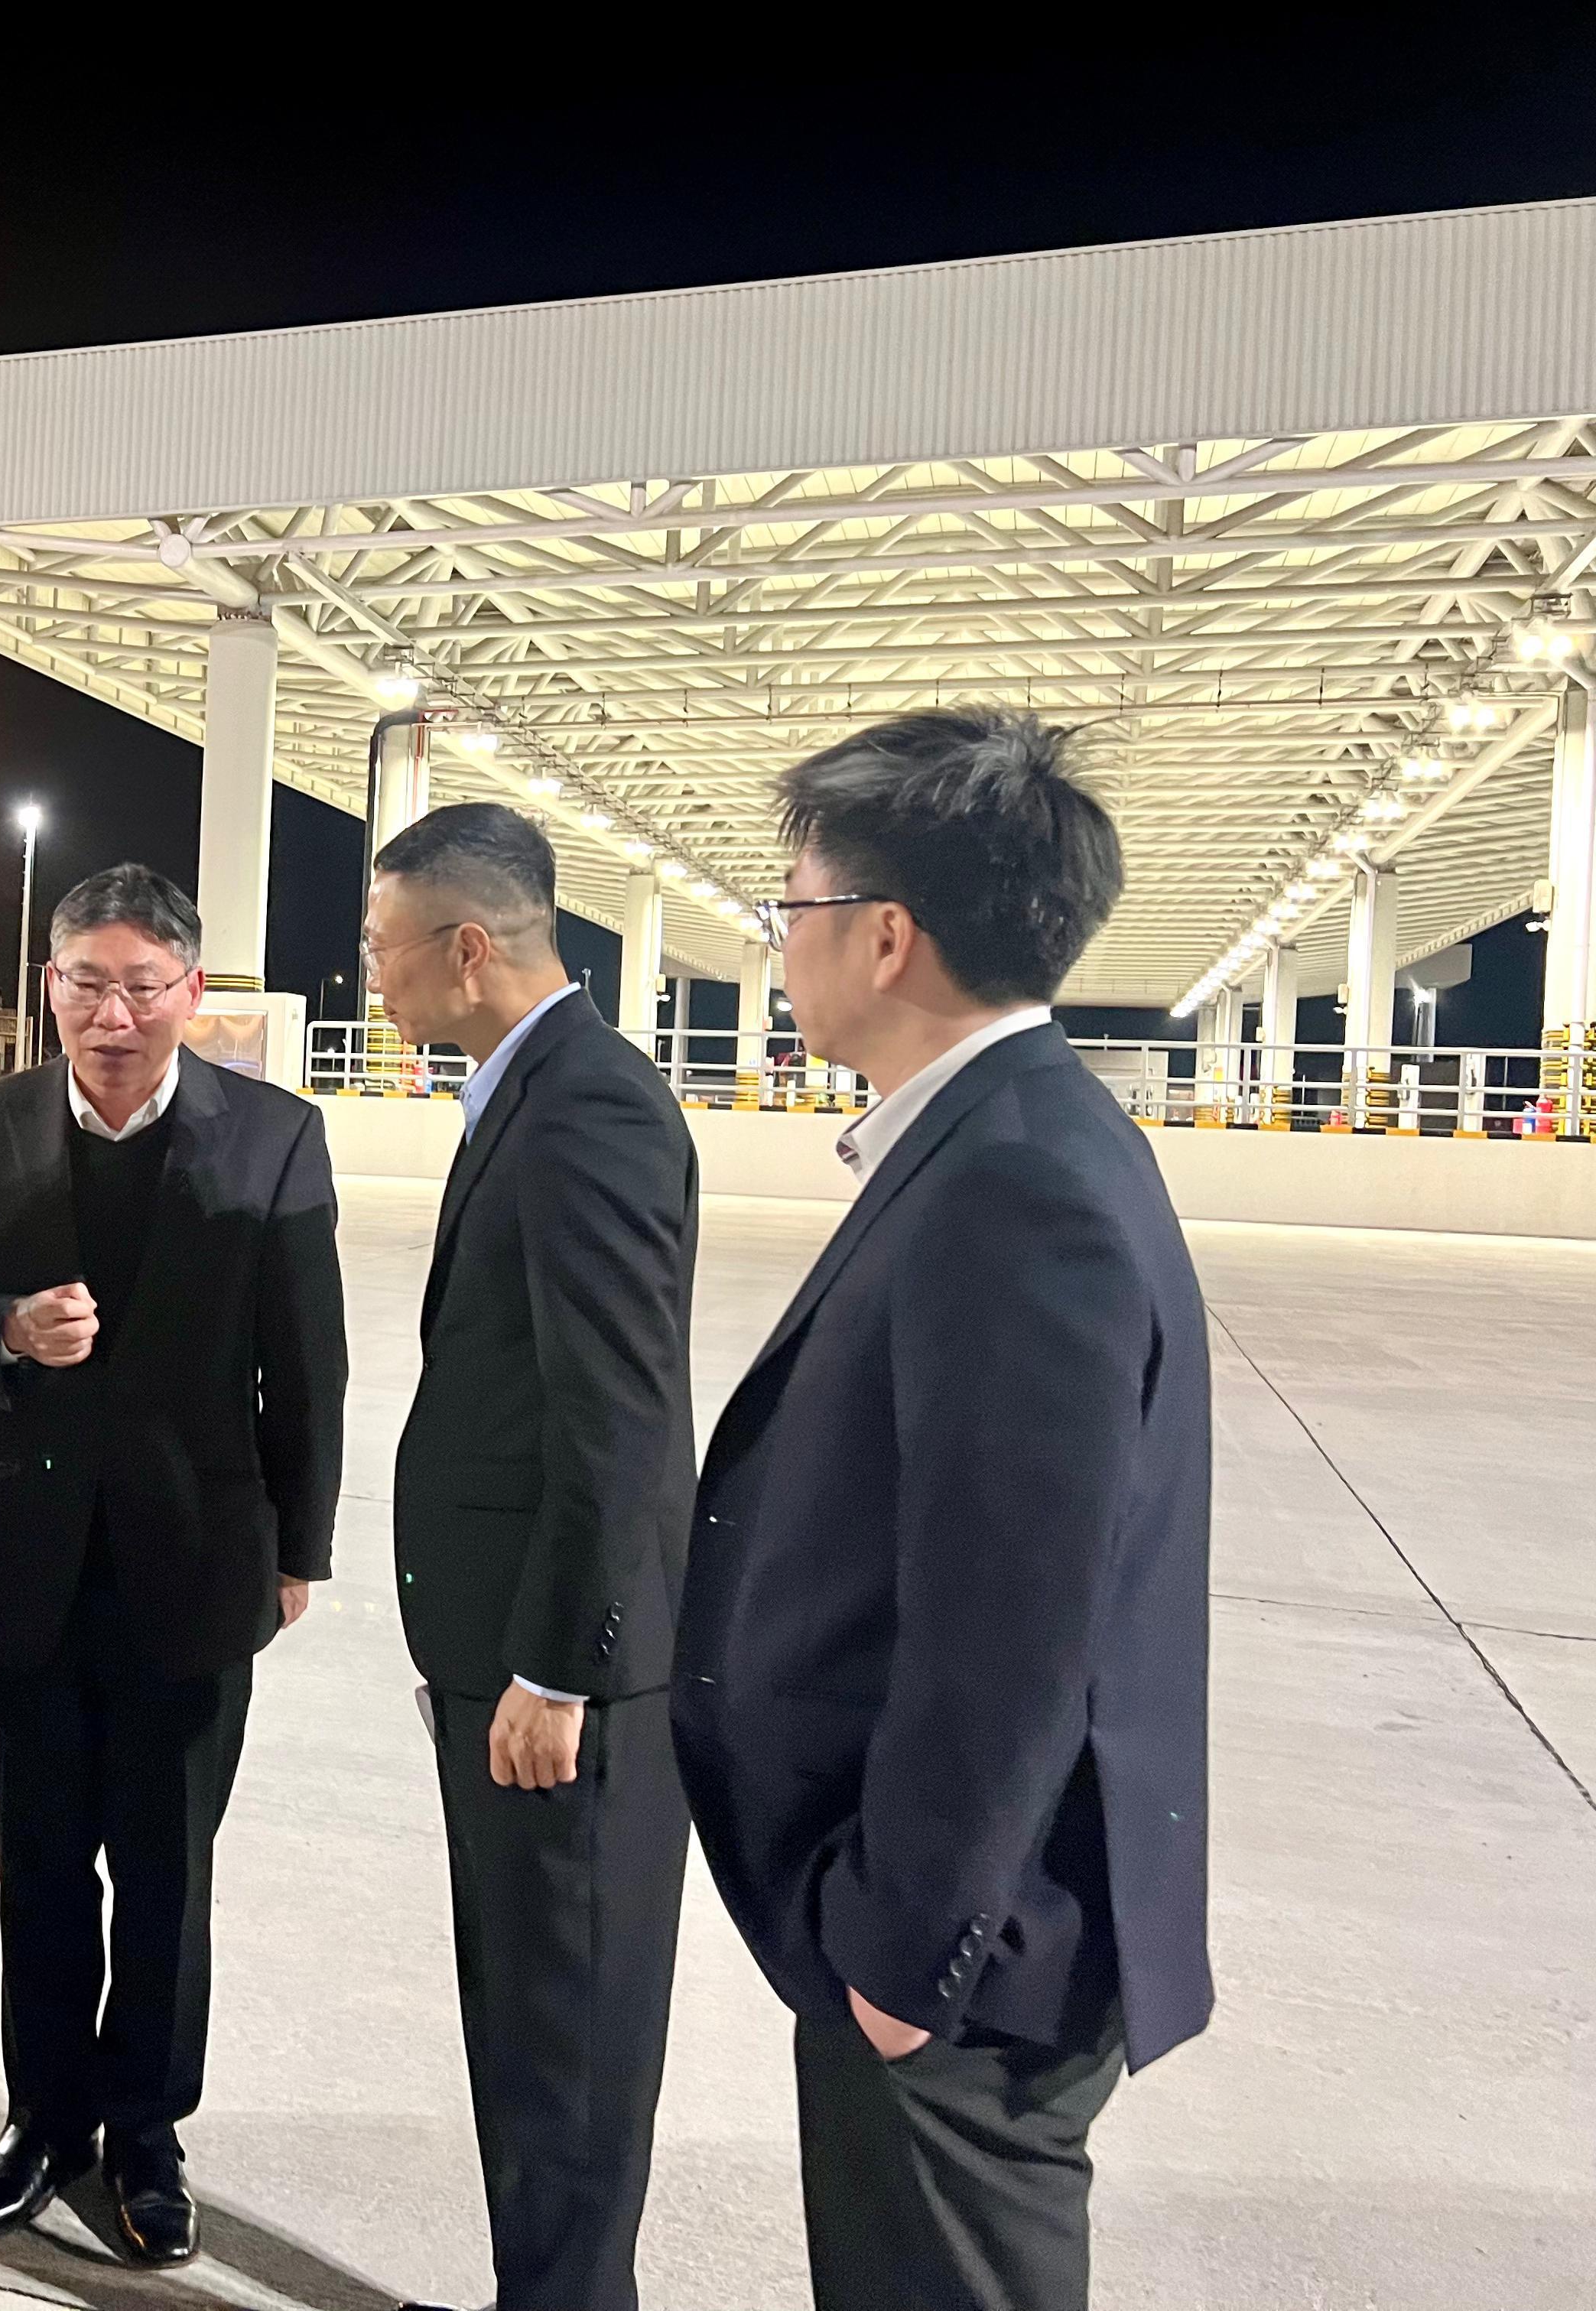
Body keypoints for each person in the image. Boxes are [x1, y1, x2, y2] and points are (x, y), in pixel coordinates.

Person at [674, 710, 1213, 2311]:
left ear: (885, 935)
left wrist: (904, 1956)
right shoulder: (1006, 1137)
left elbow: (1014, 1616)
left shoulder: (1016, 1181)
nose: (781, 945)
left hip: (965, 1968)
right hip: (954, 1938)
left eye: (795, 906)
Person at [0, 863, 346, 2267]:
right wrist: (4, 1331)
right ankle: (42, 2119)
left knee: (165, 1871)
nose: (116, 1012)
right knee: (37, 1865)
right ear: (51, 989)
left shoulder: (273, 1138)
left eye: (145, 984)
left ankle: (145, 2131)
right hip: (25, 1559)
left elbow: (306, 1365)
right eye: (88, 982)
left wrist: (301, 1545)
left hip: (199, 1565)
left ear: (191, 994)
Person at [365, 803, 700, 2311]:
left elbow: (617, 1418)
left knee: (565, 2043)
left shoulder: (588, 1107)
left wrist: (559, 1664)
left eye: (383, 947)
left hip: (556, 1679)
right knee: (526, 2021)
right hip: (504, 1654)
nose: (372, 978)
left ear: (468, 947)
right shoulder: (536, 1090)